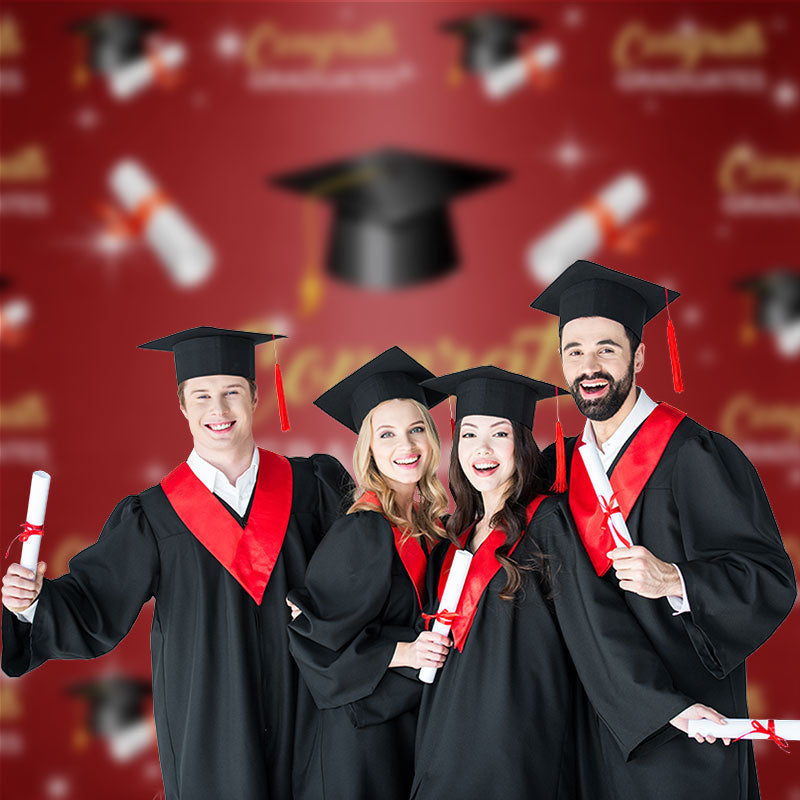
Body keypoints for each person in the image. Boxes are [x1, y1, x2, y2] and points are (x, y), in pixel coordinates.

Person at [1, 326, 352, 800]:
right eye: (202, 396)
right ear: (183, 406)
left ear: (254, 396)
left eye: (232, 392)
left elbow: (360, 578)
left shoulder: (312, 487)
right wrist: (31, 604)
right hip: (210, 724)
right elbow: (93, 603)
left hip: (309, 710)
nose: (219, 410)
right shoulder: (154, 515)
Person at [530, 261, 797, 799]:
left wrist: (676, 579)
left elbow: (770, 580)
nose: (589, 365)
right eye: (574, 350)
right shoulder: (552, 467)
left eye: (607, 347)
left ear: (640, 356)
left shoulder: (695, 454)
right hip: (587, 718)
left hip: (684, 722)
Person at [411, 366, 723, 800]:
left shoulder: (546, 521)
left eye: (499, 434)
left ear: (521, 444)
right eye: (468, 435)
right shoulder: (453, 536)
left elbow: (594, 621)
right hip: (445, 738)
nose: (482, 449)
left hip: (516, 741)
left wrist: (669, 708)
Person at [286, 347, 453, 800]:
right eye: (387, 435)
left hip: (405, 721)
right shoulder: (362, 530)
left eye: (417, 429)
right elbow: (312, 640)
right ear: (369, 450)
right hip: (358, 741)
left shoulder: (430, 525)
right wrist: (403, 651)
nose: (407, 446)